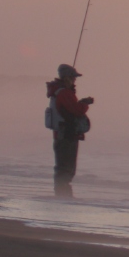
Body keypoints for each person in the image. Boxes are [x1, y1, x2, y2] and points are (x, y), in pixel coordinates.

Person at [46, 64, 94, 196]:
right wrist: (84, 103)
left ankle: (61, 195)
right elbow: (77, 111)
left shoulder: (58, 92)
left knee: (63, 168)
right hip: (66, 135)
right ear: (66, 78)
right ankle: (63, 196)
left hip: (61, 135)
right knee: (66, 169)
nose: (74, 80)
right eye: (73, 77)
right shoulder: (65, 93)